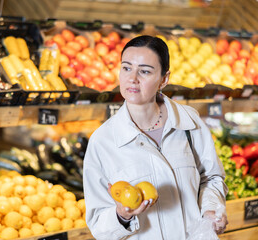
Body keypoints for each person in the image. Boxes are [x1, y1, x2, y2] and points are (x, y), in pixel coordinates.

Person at [83, 35, 228, 239]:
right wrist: (121, 216)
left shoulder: (188, 122)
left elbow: (211, 178)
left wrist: (211, 210)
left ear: (164, 79)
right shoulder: (103, 141)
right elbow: (98, 224)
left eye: (144, 71)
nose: (132, 78)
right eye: (126, 68)